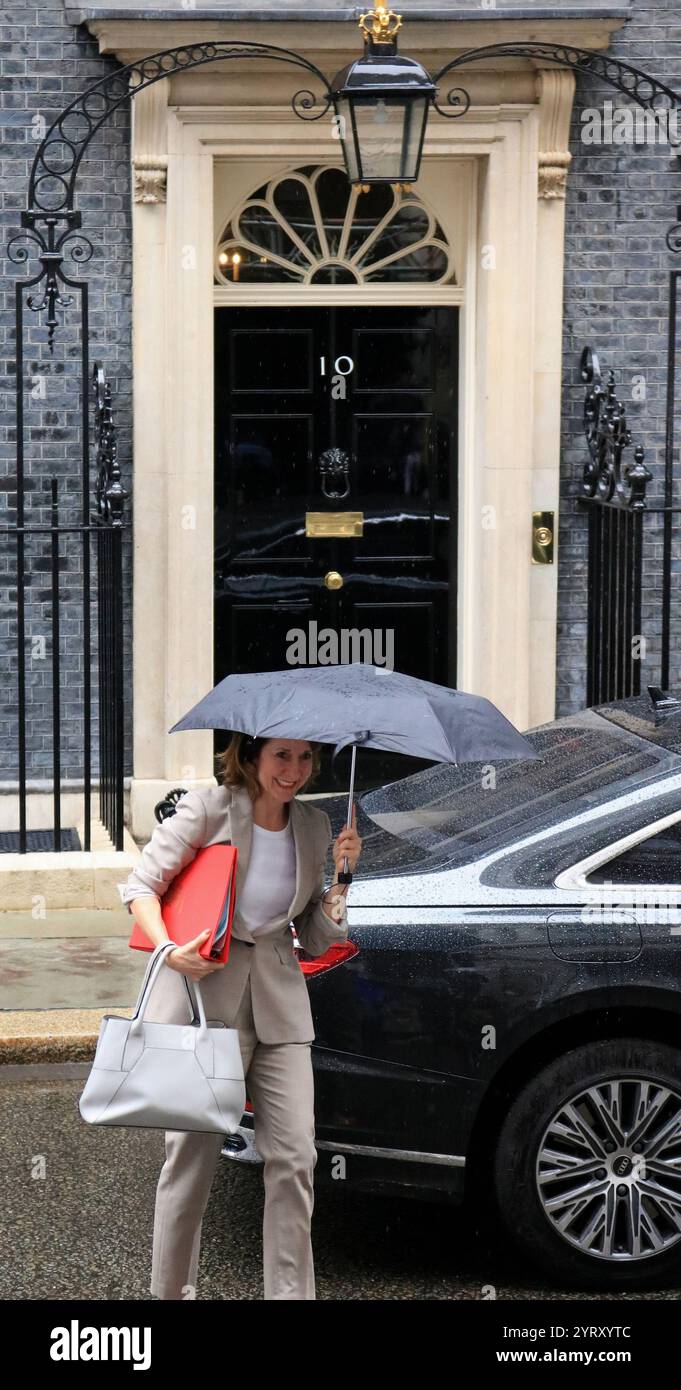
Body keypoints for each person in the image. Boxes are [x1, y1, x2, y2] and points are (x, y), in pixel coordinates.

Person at [118, 733, 362, 1301]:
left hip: (279, 1009)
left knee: (296, 1159)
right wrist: (169, 949)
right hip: (207, 1006)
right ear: (250, 757)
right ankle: (171, 1293)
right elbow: (141, 887)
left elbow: (315, 937)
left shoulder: (314, 827)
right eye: (282, 756)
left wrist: (343, 880)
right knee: (192, 1162)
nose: (295, 770)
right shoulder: (207, 809)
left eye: (305, 758)